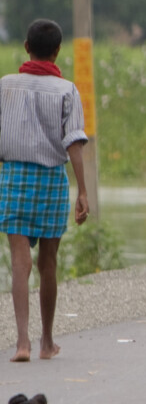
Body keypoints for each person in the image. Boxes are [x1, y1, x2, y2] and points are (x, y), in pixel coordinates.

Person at [2, 19, 90, 362]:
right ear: (57, 51)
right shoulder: (66, 90)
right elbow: (74, 145)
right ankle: (46, 342)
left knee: (19, 263)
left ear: (26, 47)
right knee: (48, 263)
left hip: (13, 178)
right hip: (52, 179)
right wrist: (82, 191)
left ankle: (21, 342)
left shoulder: (4, 86)